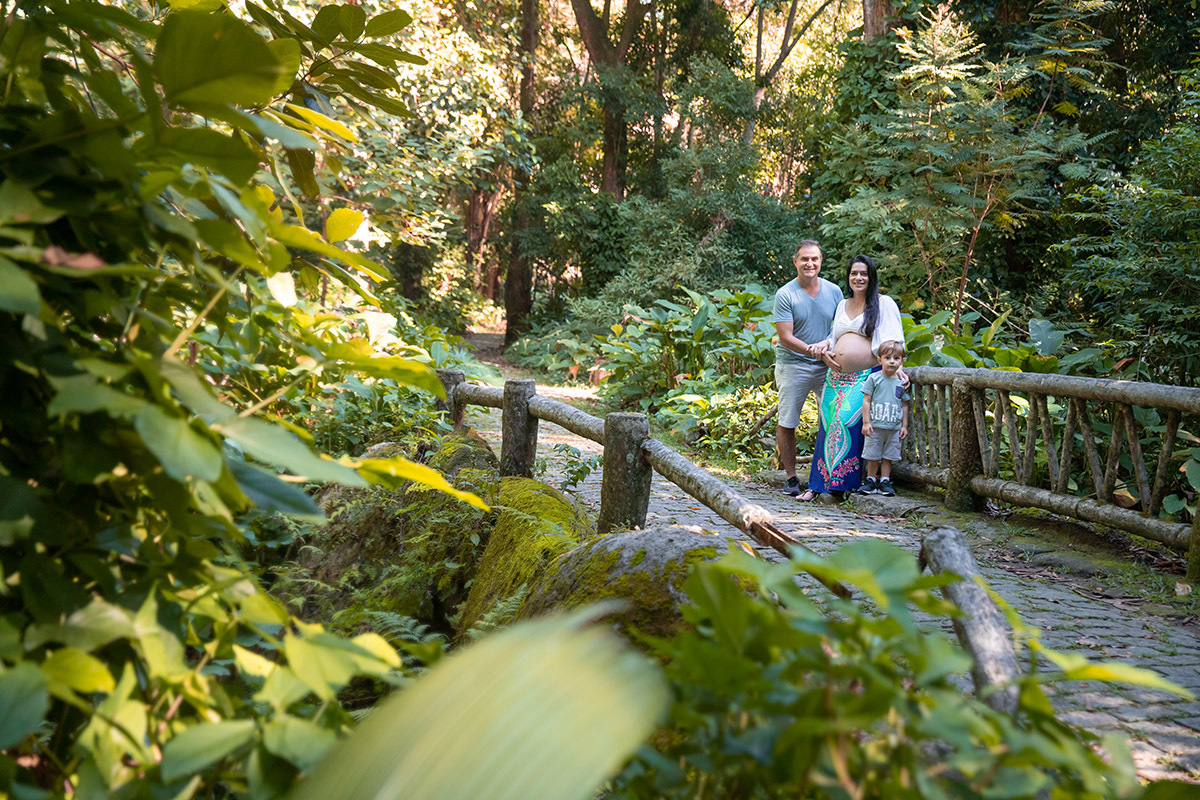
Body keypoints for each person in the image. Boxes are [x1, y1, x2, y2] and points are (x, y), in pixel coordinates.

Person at [800, 254, 904, 501]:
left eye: (864, 274)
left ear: (872, 277)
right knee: (827, 425)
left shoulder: (883, 303)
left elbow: (892, 341)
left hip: (864, 377)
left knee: (846, 424)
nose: (859, 278)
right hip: (834, 376)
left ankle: (843, 484)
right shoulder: (842, 305)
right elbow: (835, 337)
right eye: (854, 273)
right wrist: (825, 349)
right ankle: (818, 486)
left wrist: (897, 368)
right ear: (848, 277)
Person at [773, 240, 843, 497]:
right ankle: (791, 478)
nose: (809, 263)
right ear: (795, 262)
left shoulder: (834, 291)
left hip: (828, 366)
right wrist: (813, 351)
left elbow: (840, 327)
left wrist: (826, 348)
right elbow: (786, 337)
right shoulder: (786, 294)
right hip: (793, 365)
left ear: (821, 261)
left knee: (834, 419)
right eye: (804, 259)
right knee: (788, 421)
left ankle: (830, 476)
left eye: (814, 259)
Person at [859, 340, 911, 496]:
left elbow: (905, 404)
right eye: (887, 358)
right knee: (872, 455)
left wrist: (904, 426)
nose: (892, 361)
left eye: (896, 358)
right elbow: (866, 400)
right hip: (875, 425)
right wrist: (866, 422)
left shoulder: (902, 382)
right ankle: (870, 480)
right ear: (879, 360)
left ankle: (885, 481)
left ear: (902, 361)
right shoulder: (874, 378)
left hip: (894, 427)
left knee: (888, 456)